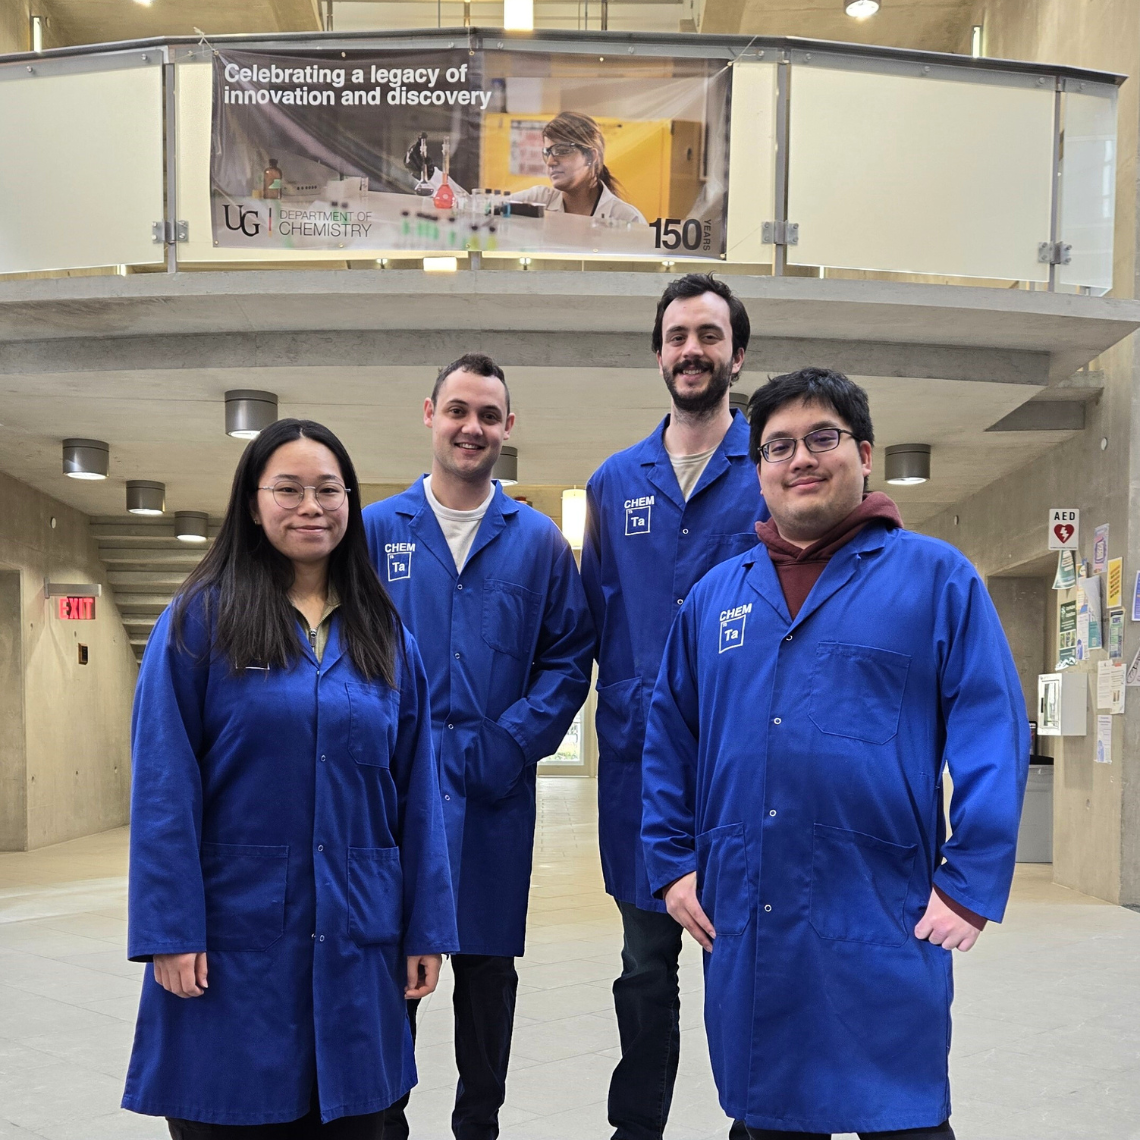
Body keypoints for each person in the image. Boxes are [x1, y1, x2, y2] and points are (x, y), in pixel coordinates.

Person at [641, 368, 1030, 1139]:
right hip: (751, 912)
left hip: (882, 912)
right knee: (769, 1118)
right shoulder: (719, 597)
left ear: (865, 454)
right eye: (778, 446)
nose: (800, 459)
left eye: (823, 438)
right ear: (759, 470)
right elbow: (668, 738)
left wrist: (971, 879)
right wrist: (672, 862)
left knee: (904, 1115)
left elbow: (994, 730)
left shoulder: (935, 579)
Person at [121, 419, 458, 1138]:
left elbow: (417, 794)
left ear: (350, 501)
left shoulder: (386, 636)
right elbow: (162, 790)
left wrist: (425, 927)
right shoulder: (197, 623)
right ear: (252, 503)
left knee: (356, 1116)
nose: (312, 505)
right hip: (231, 943)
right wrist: (168, 930)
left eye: (328, 489)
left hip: (357, 932)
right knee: (237, 1113)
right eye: (289, 489)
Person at [363, 353, 594, 1140]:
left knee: (489, 974)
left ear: (508, 428)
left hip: (494, 795)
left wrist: (510, 745)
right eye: (458, 410)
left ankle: (478, 1126)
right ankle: (382, 1117)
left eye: (488, 415)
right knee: (394, 969)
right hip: (395, 800)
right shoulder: (374, 533)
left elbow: (569, 659)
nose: (472, 427)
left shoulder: (536, 542)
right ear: (429, 413)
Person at [581, 273, 766, 1140]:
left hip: (743, 763)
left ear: (737, 352)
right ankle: (637, 1128)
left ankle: (760, 1115)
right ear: (659, 352)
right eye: (677, 336)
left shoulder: (771, 469)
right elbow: (590, 620)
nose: (692, 350)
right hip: (639, 769)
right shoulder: (615, 484)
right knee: (645, 965)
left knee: (748, 951)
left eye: (709, 335)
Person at [511, 111, 647, 224]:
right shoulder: (538, 200)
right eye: (547, 153)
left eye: (562, 151)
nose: (550, 162)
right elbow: (491, 207)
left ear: (591, 157)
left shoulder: (628, 220)